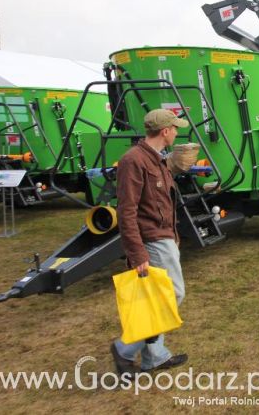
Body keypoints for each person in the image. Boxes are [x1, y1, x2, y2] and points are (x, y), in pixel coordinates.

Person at [110, 109, 189, 375]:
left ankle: (154, 357)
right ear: (165, 131)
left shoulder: (155, 159)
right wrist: (137, 253)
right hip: (153, 240)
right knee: (172, 294)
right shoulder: (134, 161)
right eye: (175, 128)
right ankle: (125, 348)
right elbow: (126, 211)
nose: (177, 132)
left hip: (164, 236)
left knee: (156, 297)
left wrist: (175, 166)